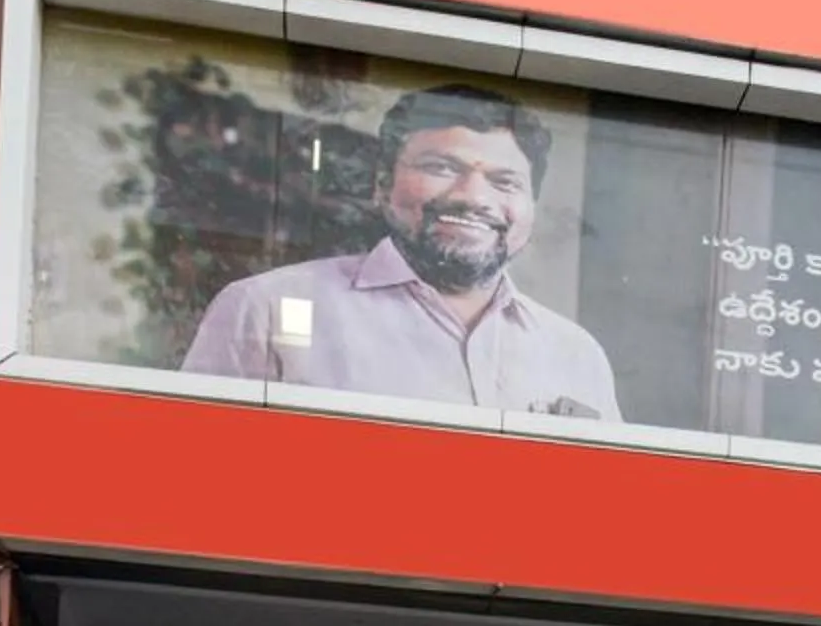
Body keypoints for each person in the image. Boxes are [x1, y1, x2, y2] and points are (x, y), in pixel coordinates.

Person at [182, 85, 621, 421]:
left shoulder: (576, 354)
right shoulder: (265, 309)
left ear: (530, 208)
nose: (472, 197)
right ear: (381, 186)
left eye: (505, 182)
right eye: (441, 168)